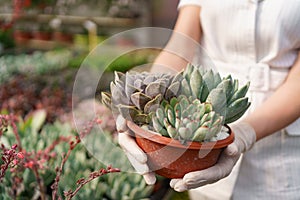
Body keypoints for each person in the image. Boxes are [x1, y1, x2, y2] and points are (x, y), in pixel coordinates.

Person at [117, 0, 300, 199]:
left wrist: (244, 134)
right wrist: (145, 102)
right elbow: (181, 46)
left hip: (279, 157)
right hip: (201, 140)